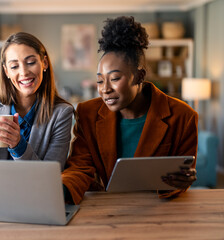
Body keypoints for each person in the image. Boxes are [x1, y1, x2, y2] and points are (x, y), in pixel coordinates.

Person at [62, 16, 198, 204]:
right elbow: (80, 167)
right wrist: (61, 190)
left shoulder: (183, 116)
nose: (105, 89)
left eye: (115, 78)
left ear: (139, 76)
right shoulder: (88, 113)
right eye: (100, 80)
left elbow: (182, 177)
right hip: (108, 207)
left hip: (157, 209)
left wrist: (182, 182)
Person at [0, 32, 74, 170]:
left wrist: (18, 146)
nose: (24, 72)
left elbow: (51, 175)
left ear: (44, 63)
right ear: (6, 71)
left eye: (31, 62)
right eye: (14, 66)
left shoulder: (61, 114)